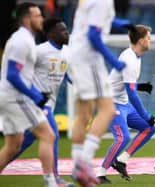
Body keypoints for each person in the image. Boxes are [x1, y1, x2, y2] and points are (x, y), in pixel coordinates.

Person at [68, 1, 134, 186]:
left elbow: (92, 22)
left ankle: (76, 163)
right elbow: (94, 35)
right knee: (108, 110)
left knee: (84, 114)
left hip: (75, 55)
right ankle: (85, 162)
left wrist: (118, 23)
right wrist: (114, 61)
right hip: (90, 60)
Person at [7, 17, 73, 187]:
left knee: (21, 142)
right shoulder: (39, 51)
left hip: (48, 103)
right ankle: (55, 179)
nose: (67, 33)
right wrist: (33, 94)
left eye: (67, 29)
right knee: (53, 135)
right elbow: (20, 72)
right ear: (51, 34)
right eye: (63, 30)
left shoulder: (66, 52)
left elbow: (64, 72)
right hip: (35, 102)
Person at [0, 3, 58, 187]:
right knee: (48, 135)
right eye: (38, 16)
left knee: (13, 146)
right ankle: (51, 183)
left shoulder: (23, 39)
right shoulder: (22, 41)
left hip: (9, 96)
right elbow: (12, 74)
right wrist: (35, 95)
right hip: (15, 97)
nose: (42, 19)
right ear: (27, 18)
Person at [96, 25, 155, 184]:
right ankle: (100, 173)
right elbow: (131, 94)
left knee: (150, 128)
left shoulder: (136, 56)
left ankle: (121, 160)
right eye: (149, 38)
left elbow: (126, 85)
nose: (151, 41)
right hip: (110, 103)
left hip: (122, 103)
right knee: (123, 137)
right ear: (142, 40)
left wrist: (140, 86)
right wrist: (146, 116)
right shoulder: (129, 59)